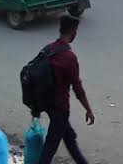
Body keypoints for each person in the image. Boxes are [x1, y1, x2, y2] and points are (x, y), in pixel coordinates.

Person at [39, 16, 95, 164]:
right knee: (49, 148)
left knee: (69, 137)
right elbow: (78, 88)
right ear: (73, 31)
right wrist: (88, 110)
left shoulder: (48, 49)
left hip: (47, 103)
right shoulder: (69, 57)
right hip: (60, 107)